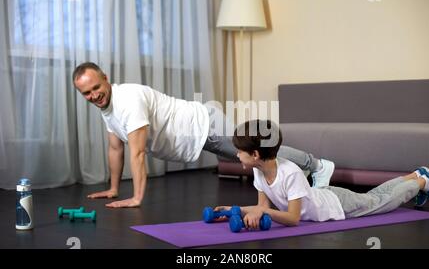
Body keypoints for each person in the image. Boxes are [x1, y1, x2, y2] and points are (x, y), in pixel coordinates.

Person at [72, 62, 335, 208]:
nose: (94, 96)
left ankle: (318, 165)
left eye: (96, 88)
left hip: (202, 126)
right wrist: (114, 188)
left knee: (257, 155)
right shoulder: (108, 109)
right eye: (86, 93)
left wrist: (137, 198)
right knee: (253, 156)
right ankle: (313, 167)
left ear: (105, 78)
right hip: (198, 130)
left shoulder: (128, 100)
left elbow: (137, 152)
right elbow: (115, 147)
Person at [214, 119, 429, 229]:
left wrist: (263, 211)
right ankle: (416, 174)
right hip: (324, 196)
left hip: (337, 205)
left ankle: (424, 181)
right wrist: (233, 209)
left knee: (381, 200)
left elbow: (293, 219)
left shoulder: (290, 173)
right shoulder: (259, 171)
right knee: (376, 195)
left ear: (255, 154)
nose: (236, 154)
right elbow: (263, 206)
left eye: (240, 151)